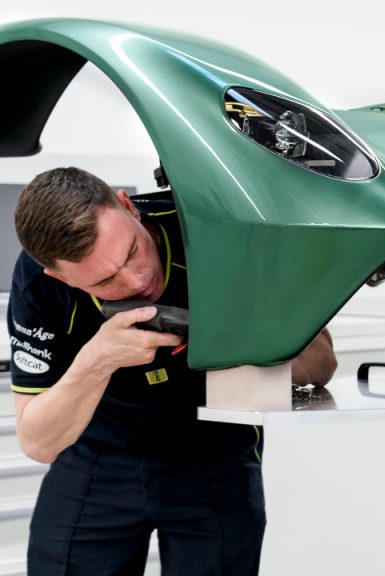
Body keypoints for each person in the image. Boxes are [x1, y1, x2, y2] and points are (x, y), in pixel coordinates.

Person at [8, 166, 338, 575]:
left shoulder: (213, 228)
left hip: (215, 454)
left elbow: (323, 364)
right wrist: (98, 360)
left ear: (129, 207)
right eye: (105, 281)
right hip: (98, 457)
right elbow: (38, 443)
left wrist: (238, 334)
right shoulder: (39, 284)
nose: (136, 280)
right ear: (62, 278)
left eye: (132, 251)